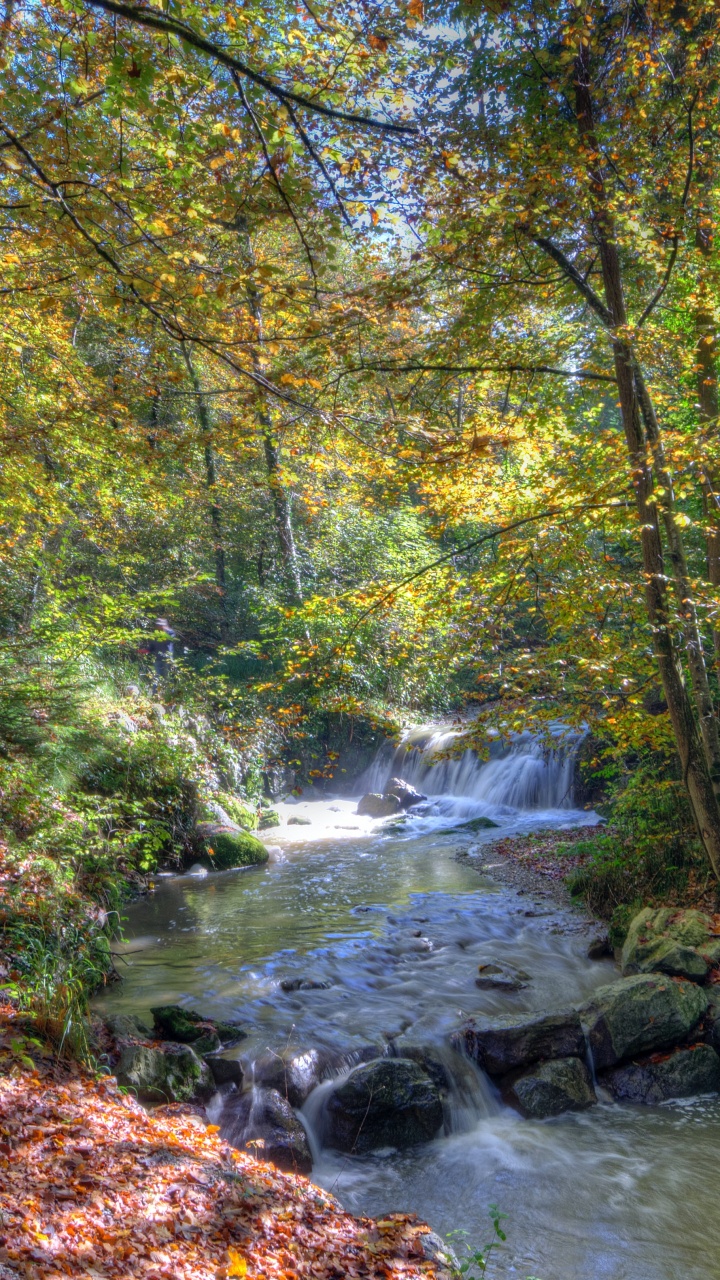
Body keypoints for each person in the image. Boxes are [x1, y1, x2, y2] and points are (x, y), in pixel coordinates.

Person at [143, 618, 176, 689]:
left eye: (161, 625)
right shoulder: (155, 635)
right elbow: (151, 647)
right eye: (158, 625)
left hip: (168, 660)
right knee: (157, 678)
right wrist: (143, 651)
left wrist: (163, 632)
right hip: (158, 660)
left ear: (165, 625)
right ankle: (155, 694)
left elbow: (169, 640)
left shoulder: (170, 633)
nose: (159, 626)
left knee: (168, 679)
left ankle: (170, 694)